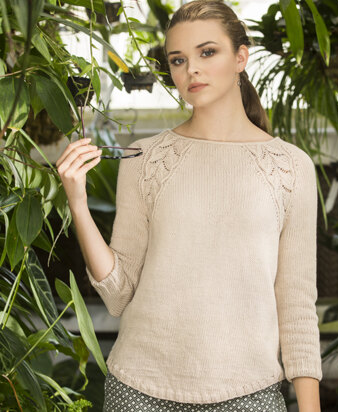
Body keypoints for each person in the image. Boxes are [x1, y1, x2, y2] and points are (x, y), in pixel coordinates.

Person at [56, 0, 323, 410]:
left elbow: (297, 305)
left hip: (250, 395)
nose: (191, 70)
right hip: (138, 392)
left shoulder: (290, 167)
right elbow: (119, 293)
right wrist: (78, 202)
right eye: (178, 60)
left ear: (241, 58)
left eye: (207, 52)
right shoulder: (145, 158)